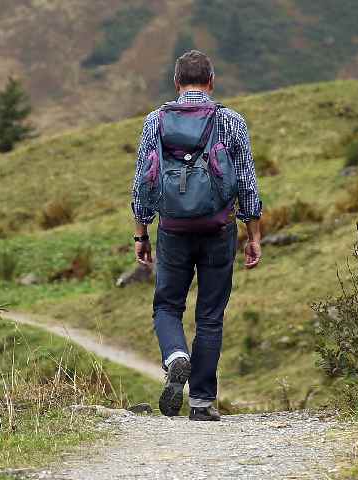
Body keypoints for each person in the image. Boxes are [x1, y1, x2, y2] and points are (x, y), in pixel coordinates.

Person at [131, 50, 262, 421]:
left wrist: (141, 233)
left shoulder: (155, 122)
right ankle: (202, 402)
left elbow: (142, 181)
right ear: (211, 81)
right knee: (210, 315)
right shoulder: (231, 122)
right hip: (219, 228)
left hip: (172, 229)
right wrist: (253, 234)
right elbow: (247, 183)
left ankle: (175, 355)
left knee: (167, 305)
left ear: (176, 83)